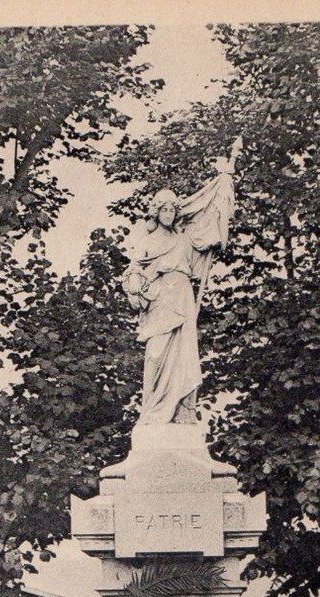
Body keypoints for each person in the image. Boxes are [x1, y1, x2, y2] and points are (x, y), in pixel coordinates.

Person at [123, 149, 239, 427]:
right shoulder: (147, 240)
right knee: (156, 353)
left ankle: (182, 410)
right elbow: (134, 268)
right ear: (156, 211)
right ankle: (152, 410)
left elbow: (211, 227)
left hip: (182, 295)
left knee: (185, 354)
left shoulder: (185, 238)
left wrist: (223, 182)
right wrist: (137, 280)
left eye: (173, 208)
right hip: (160, 298)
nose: (168, 212)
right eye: (163, 208)